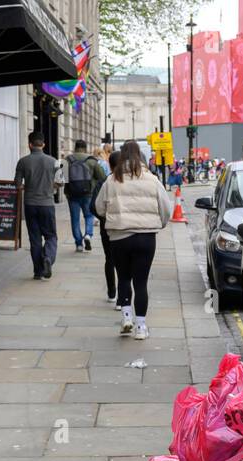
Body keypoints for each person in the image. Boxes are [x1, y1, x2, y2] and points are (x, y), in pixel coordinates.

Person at [95, 139, 175, 340]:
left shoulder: (112, 179)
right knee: (141, 282)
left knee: (123, 278)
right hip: (146, 237)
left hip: (120, 237)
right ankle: (141, 327)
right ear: (140, 156)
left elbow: (98, 208)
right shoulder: (152, 179)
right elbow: (166, 208)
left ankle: (126, 317)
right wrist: (159, 224)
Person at [15, 130, 60, 280]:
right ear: (44, 144)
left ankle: (38, 271)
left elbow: (17, 184)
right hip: (47, 204)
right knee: (51, 236)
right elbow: (61, 182)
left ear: (29, 144)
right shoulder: (54, 161)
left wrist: (27, 187)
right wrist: (50, 185)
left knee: (35, 239)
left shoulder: (23, 161)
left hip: (30, 204)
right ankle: (48, 257)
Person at [65, 139, 106, 253]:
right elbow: (102, 177)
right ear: (85, 148)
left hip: (72, 194)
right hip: (88, 193)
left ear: (75, 147)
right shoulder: (92, 161)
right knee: (89, 216)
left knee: (75, 219)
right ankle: (88, 234)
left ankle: (78, 244)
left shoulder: (67, 160)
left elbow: (60, 178)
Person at [93, 149, 122, 305]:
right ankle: (122, 298)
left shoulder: (103, 182)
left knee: (109, 259)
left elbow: (94, 206)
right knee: (123, 262)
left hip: (107, 227)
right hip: (125, 226)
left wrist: (103, 218)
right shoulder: (129, 182)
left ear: (110, 166)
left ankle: (112, 292)